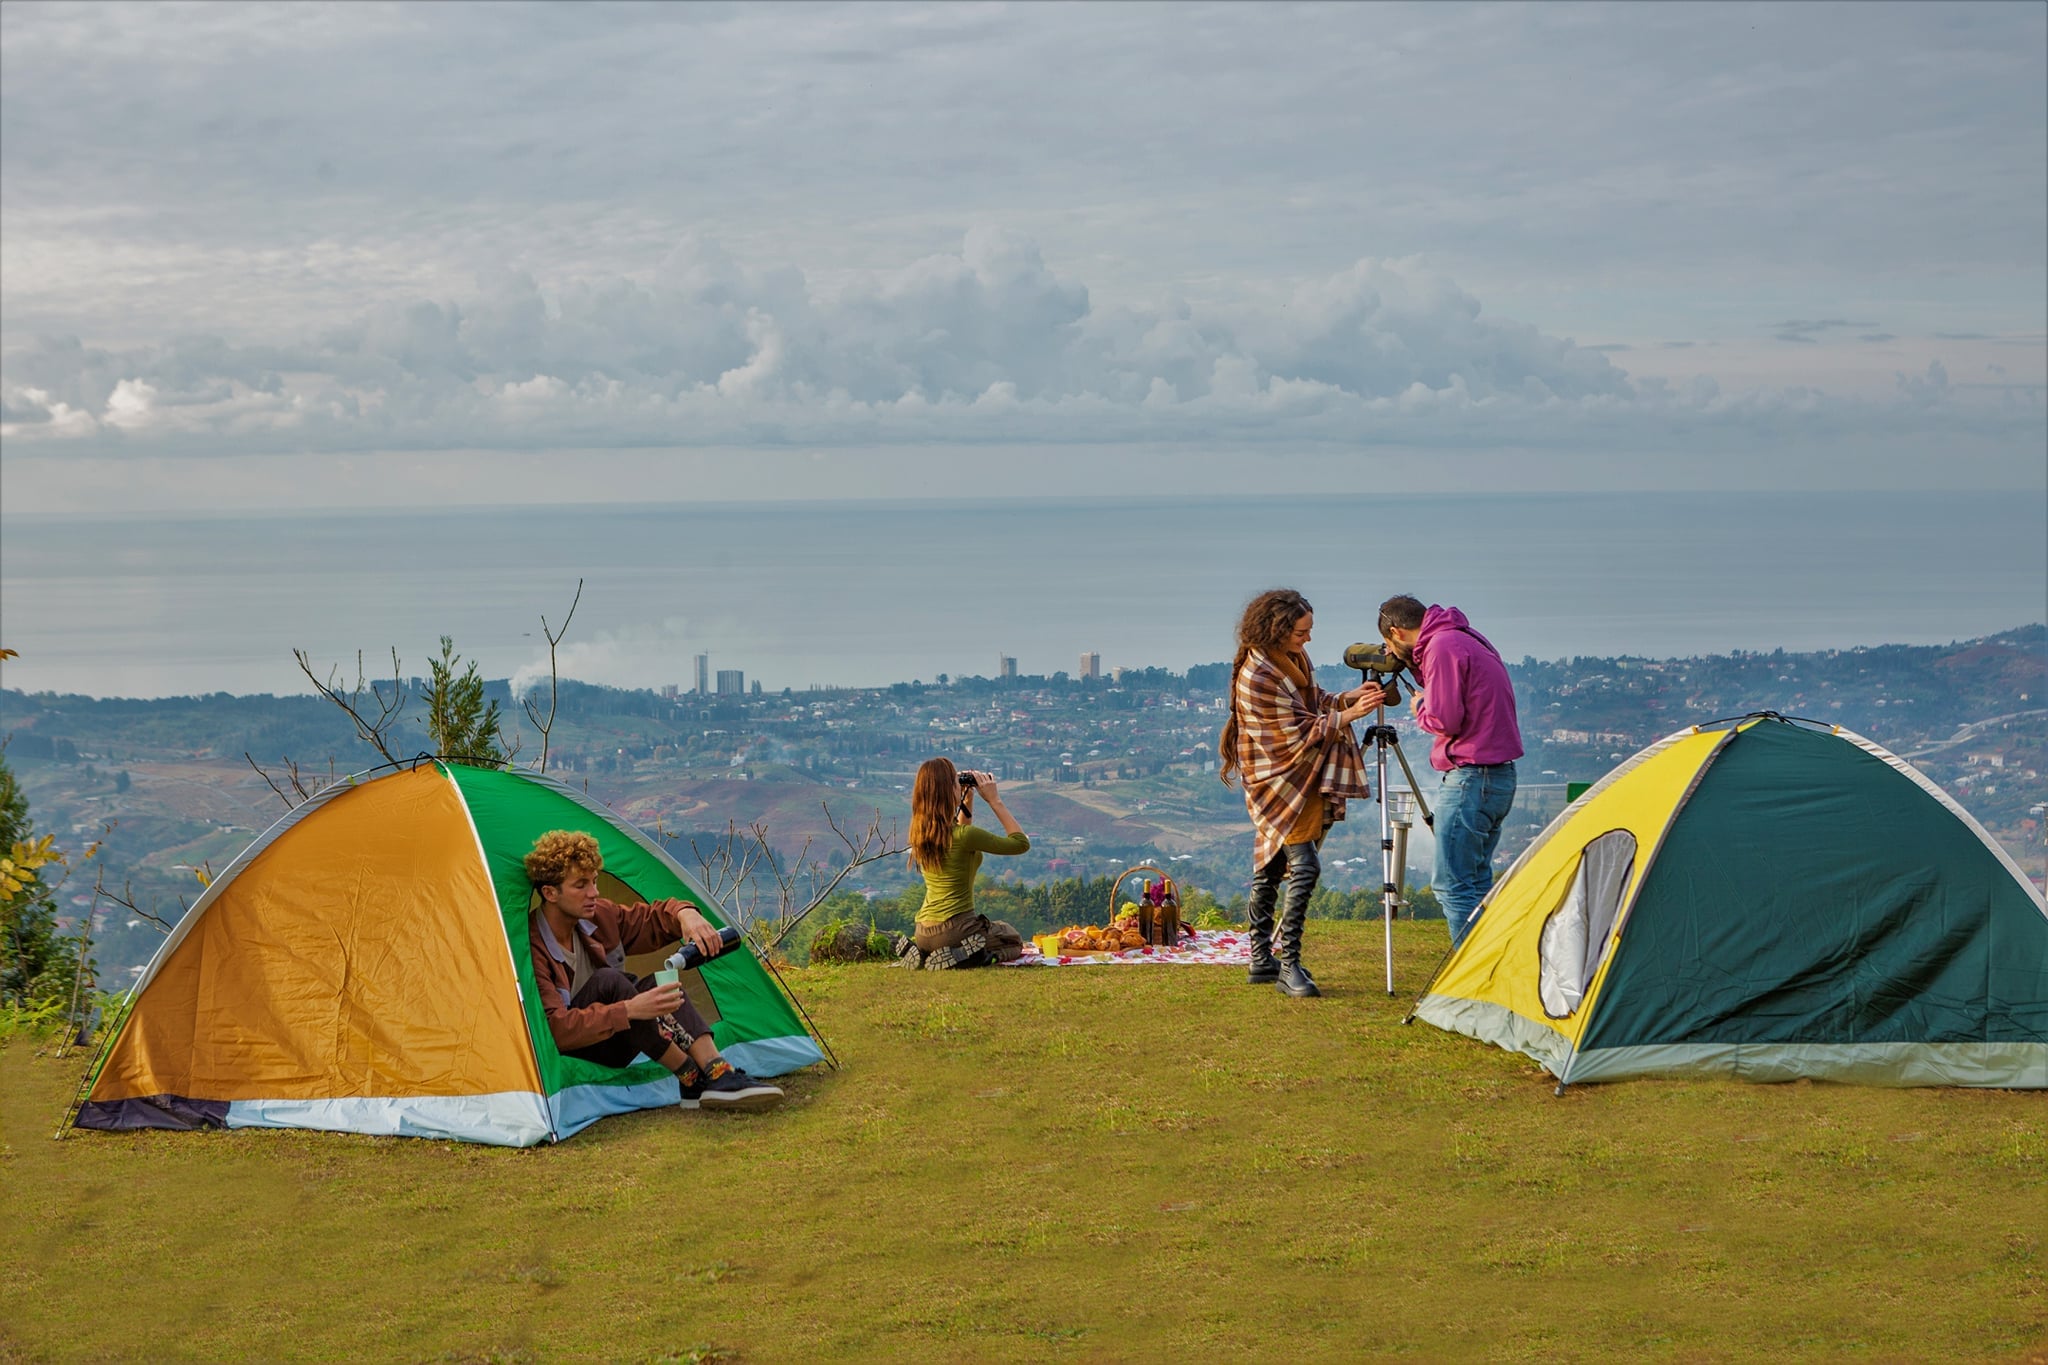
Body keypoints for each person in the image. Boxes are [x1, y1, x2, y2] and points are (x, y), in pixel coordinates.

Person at [525, 830, 783, 1112]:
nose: (594, 893)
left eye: (595, 881)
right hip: (577, 1049)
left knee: (657, 987)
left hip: (620, 1038)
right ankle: (691, 1075)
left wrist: (686, 914)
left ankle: (718, 1071)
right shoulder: (531, 947)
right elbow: (556, 1031)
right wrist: (629, 1009)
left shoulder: (599, 916)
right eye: (581, 885)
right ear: (550, 893)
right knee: (611, 981)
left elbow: (653, 919)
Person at [1218, 589, 1380, 997]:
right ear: (1278, 627)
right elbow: (1285, 735)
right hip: (1275, 776)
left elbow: (1312, 703)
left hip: (1302, 772)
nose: (1307, 639)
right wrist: (1346, 717)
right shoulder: (1257, 673)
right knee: (1304, 865)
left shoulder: (1293, 659)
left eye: (1309, 632)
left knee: (1274, 863)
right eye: (1301, 632)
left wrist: (1347, 699)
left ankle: (1261, 958)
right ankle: (1288, 963)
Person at [1378, 595, 1524, 950]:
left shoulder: (1441, 647)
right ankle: (1491, 965)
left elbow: (1445, 719)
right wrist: (1412, 666)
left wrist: (1419, 706)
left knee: (1452, 885)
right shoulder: (1462, 637)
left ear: (1395, 631)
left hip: (1472, 778)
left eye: (1388, 644)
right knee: (1475, 883)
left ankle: (1470, 976)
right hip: (1498, 777)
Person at [896, 756, 1030, 970]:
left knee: (947, 939)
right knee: (1011, 937)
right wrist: (994, 800)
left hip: (923, 931)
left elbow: (958, 833)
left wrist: (967, 799)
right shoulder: (965, 836)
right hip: (958, 929)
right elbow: (1020, 843)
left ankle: (925, 953)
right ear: (949, 791)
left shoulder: (920, 835)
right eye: (956, 782)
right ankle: (978, 957)